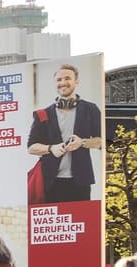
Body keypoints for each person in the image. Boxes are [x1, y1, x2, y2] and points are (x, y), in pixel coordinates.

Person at [25, 61, 103, 203]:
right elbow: (31, 147)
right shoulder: (43, 114)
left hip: (80, 181)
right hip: (50, 181)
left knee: (82, 222)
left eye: (67, 78)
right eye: (59, 80)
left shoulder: (91, 109)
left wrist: (83, 142)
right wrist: (51, 148)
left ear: (76, 81)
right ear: (55, 84)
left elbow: (102, 141)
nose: (63, 83)